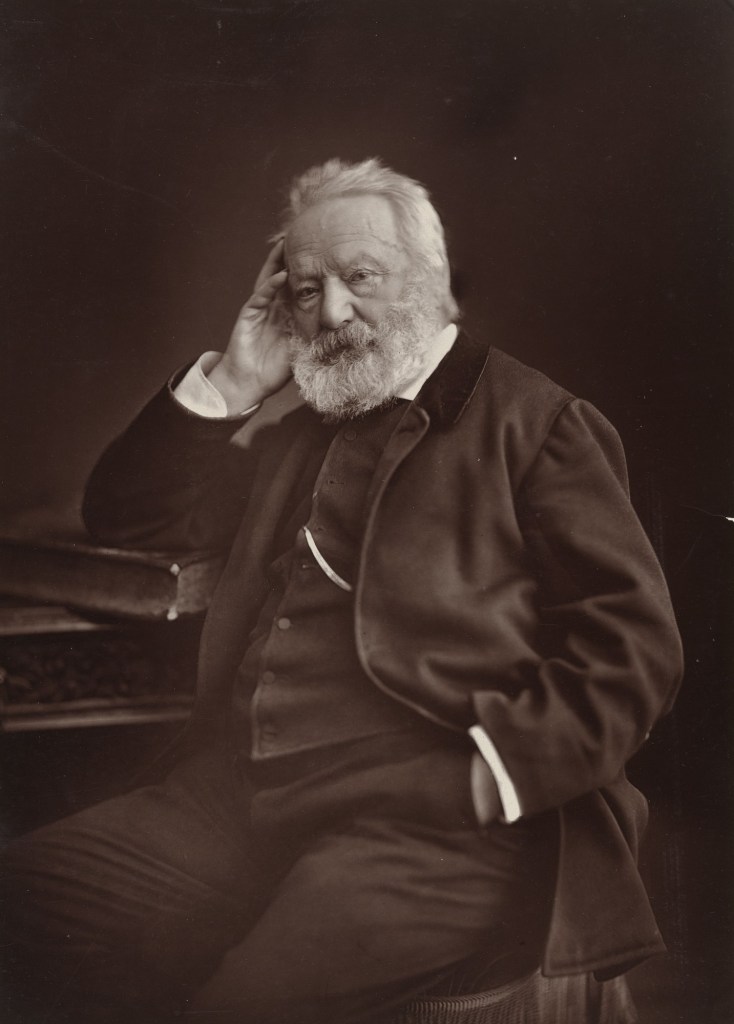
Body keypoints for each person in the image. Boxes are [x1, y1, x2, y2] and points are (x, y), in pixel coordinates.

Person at [0, 158, 683, 1024]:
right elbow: (130, 515)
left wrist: (488, 780)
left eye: (360, 277)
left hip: (439, 831)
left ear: (430, 280)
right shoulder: (299, 435)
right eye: (305, 288)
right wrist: (237, 381)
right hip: (238, 801)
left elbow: (634, 652)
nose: (329, 313)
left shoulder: (538, 424)